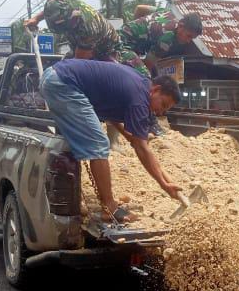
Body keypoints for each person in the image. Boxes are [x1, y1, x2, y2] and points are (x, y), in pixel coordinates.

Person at [39, 58, 182, 221]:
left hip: (55, 77)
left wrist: (128, 135)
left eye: (165, 110)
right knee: (99, 144)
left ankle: (98, 201)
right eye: (163, 104)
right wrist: (164, 185)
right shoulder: (140, 99)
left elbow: (110, 112)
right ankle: (110, 207)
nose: (160, 112)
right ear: (156, 90)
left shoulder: (140, 85)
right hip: (63, 84)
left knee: (90, 141)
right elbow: (142, 148)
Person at [25, 0, 121, 62]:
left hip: (106, 50)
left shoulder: (88, 28)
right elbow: (50, 10)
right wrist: (36, 18)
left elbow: (79, 61)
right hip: (80, 45)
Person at [118, 10, 203, 77]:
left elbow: (144, 8)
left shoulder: (169, 13)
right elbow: (149, 63)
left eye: (192, 38)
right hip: (123, 45)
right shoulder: (167, 38)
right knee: (145, 76)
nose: (189, 41)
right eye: (189, 36)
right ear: (181, 26)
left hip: (125, 33)